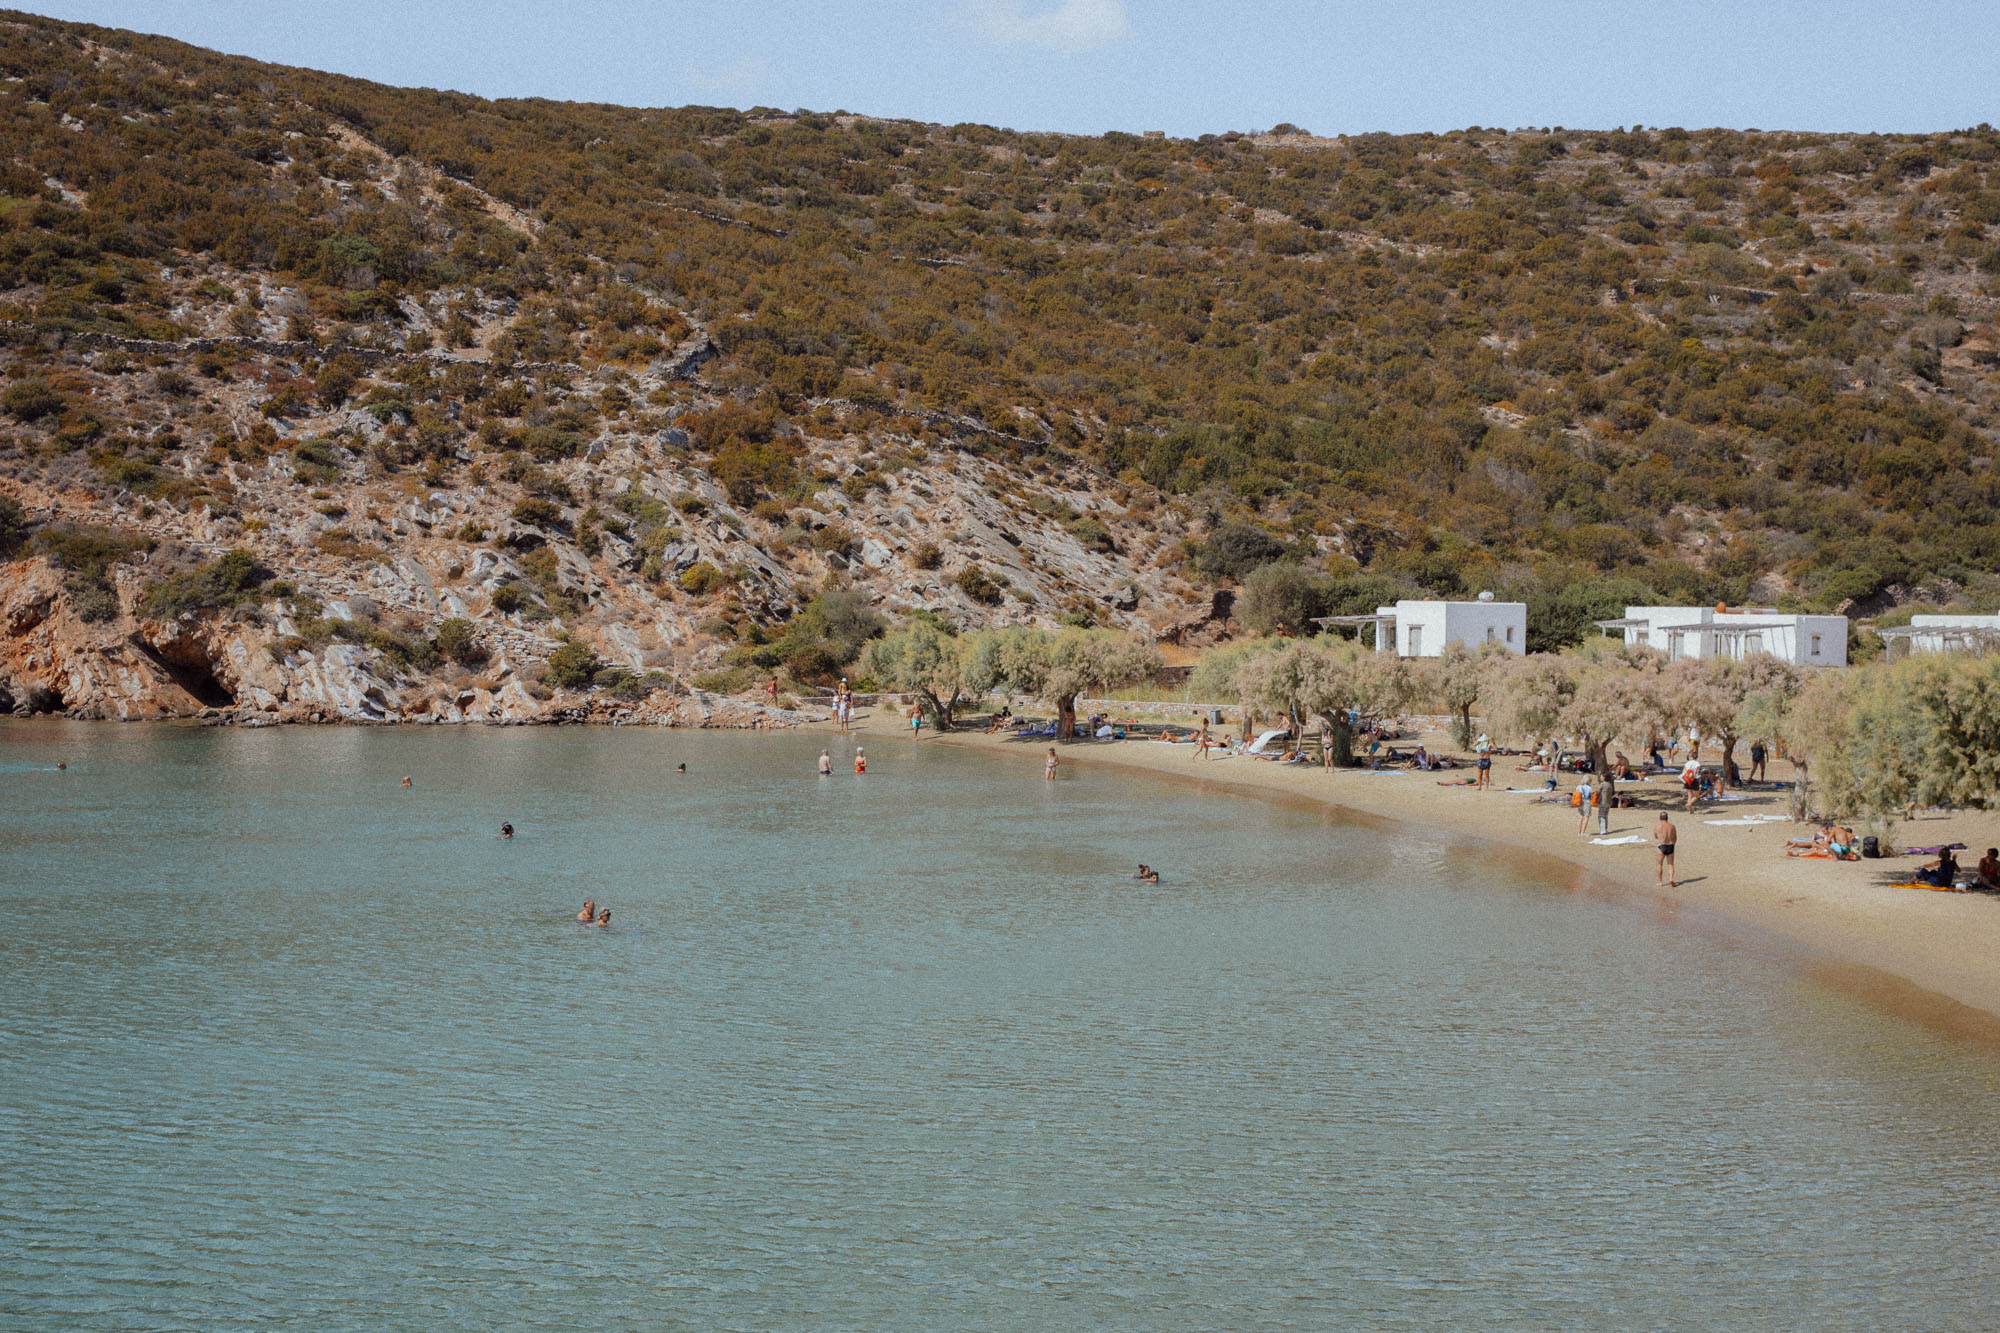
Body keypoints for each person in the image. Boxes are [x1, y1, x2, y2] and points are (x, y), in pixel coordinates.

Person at [1655, 814, 1678, 887]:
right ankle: (1671, 878)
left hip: (1662, 846)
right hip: (1670, 846)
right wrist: (1673, 843)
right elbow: (1675, 837)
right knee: (1670, 864)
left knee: (1659, 864)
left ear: (1660, 818)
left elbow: (1656, 836)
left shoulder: (1657, 827)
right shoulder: (1672, 826)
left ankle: (1660, 882)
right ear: (1667, 818)